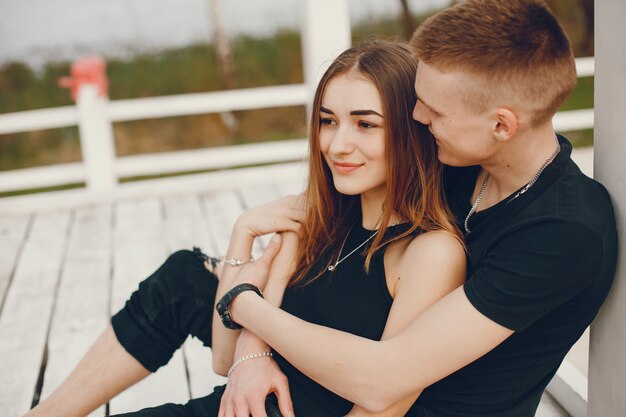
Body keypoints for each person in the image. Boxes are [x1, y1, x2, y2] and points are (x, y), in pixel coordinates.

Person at [216, 1, 618, 416]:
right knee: (183, 280)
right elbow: (311, 219)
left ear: (501, 126)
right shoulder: (458, 163)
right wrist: (251, 351)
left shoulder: (565, 232)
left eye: (434, 110)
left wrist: (244, 305)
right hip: (329, 386)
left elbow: (381, 383)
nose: (414, 115)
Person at [25, 40, 466, 417]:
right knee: (184, 274)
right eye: (328, 120)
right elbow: (224, 357)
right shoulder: (317, 218)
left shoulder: (429, 252)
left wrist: (246, 304)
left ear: (412, 132)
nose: (337, 144)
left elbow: (385, 406)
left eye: (366, 124)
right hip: (234, 405)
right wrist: (243, 232)